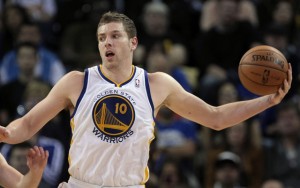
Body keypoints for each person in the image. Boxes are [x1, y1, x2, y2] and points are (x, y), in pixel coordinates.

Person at [0, 11, 292, 187]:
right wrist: (7, 133)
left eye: (115, 36)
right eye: (102, 38)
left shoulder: (156, 84)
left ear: (133, 42)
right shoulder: (77, 81)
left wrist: (266, 101)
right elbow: (27, 124)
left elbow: (215, 118)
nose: (107, 43)